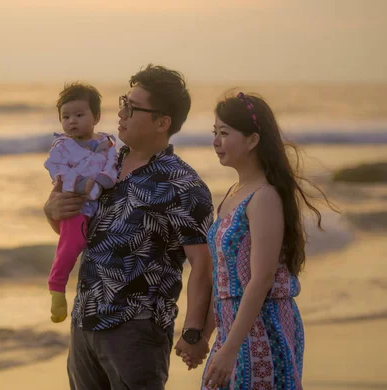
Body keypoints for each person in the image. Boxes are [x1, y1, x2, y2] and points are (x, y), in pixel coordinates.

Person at [44, 64, 214, 389]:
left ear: (162, 122)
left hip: (136, 331)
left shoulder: (182, 184)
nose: (120, 111)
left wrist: (194, 332)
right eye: (124, 101)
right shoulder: (105, 162)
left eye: (132, 107)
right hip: (85, 322)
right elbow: (81, 235)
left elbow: (204, 265)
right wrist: (51, 211)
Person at [186, 92, 336, 389]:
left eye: (224, 133)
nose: (215, 141)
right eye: (214, 133)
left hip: (264, 330)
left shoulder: (264, 196)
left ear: (253, 140)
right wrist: (205, 336)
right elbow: (225, 281)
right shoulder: (233, 193)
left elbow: (261, 279)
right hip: (233, 331)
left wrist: (230, 348)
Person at [44, 82, 118, 323]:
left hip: (99, 206)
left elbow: (112, 165)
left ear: (96, 116)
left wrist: (107, 178)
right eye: (65, 117)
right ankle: (57, 286)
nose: (71, 121)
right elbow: (57, 172)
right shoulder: (62, 147)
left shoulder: (107, 144)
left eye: (79, 115)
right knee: (72, 242)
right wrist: (81, 185)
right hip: (76, 204)